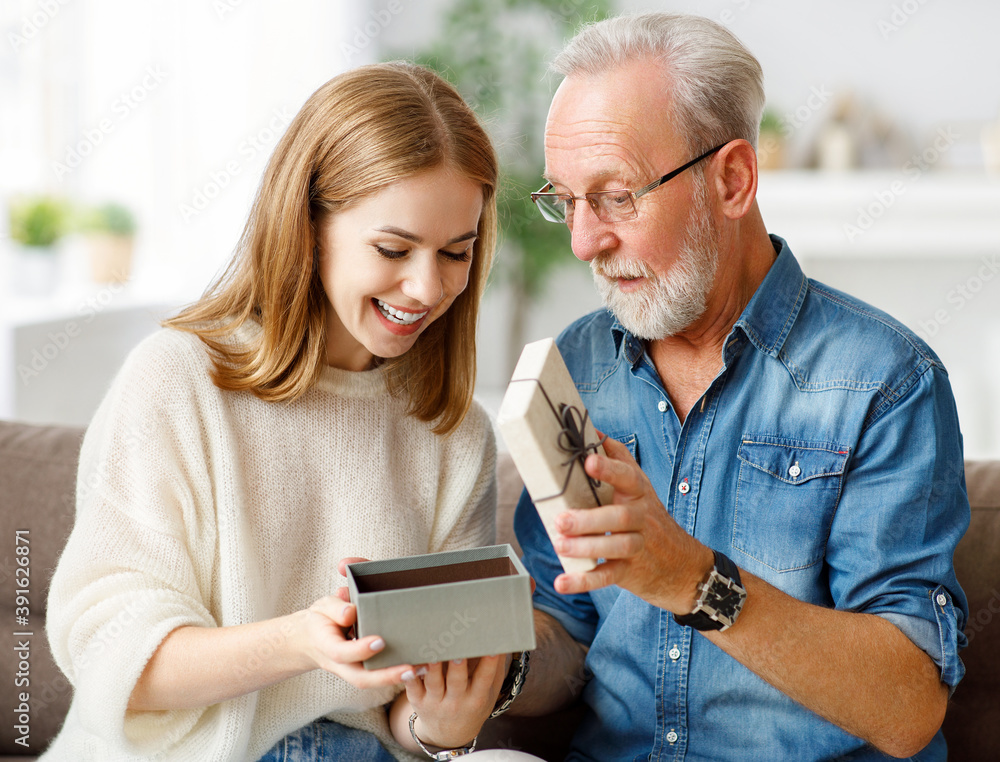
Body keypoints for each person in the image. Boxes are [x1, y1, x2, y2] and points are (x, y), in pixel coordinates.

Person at [508, 13, 970, 761]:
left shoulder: (884, 383)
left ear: (731, 180)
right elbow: (564, 629)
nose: (584, 241)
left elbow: (909, 704)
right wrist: (490, 667)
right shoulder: (579, 365)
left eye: (617, 196)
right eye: (566, 199)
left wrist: (693, 581)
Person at [42, 62, 510, 762]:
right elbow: (111, 655)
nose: (426, 286)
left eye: (456, 253)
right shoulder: (179, 381)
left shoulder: (455, 433)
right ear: (309, 223)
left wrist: (439, 724)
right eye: (393, 248)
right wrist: (298, 642)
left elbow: (405, 713)